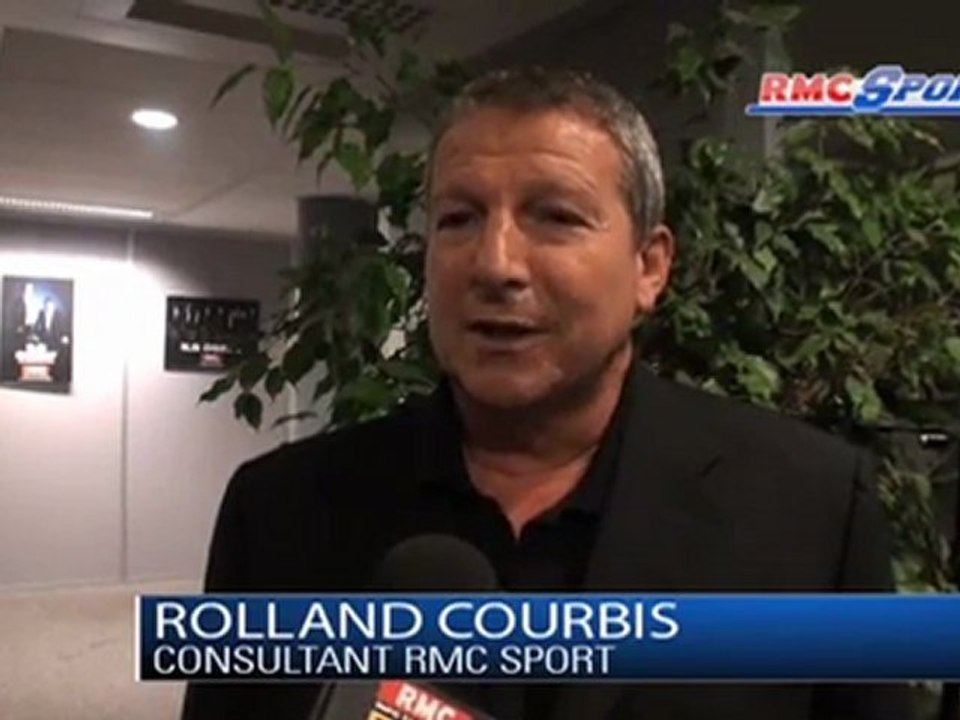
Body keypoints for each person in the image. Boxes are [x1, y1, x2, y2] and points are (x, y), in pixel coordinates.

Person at [182, 67, 911, 720]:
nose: (495, 264)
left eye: (556, 217)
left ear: (649, 267)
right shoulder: (279, 511)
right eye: (459, 219)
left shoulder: (809, 507)